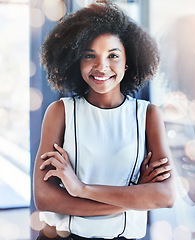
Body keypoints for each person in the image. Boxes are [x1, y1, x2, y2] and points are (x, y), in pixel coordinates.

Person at [33, 1, 175, 239]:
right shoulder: (60, 111)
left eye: (113, 55)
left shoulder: (148, 115)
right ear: (76, 60)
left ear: (128, 60)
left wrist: (81, 189)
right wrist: (135, 197)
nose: (102, 67)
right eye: (90, 55)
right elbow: (45, 198)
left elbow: (166, 196)